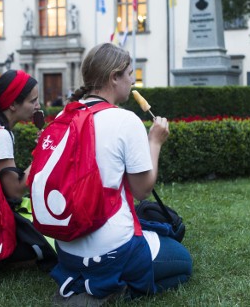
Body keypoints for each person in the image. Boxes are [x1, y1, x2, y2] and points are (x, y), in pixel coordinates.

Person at [51, 43, 192, 304]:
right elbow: (141, 191)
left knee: (151, 227)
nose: (132, 79)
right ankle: (115, 288)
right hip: (111, 250)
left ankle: (86, 280)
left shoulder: (64, 115)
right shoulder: (126, 121)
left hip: (67, 247)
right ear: (114, 77)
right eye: (129, 73)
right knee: (182, 262)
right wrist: (155, 142)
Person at [0, 69, 56, 273]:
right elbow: (15, 191)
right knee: (52, 241)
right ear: (13, 104)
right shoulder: (0, 136)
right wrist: (43, 153)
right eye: (32, 101)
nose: (38, 106)